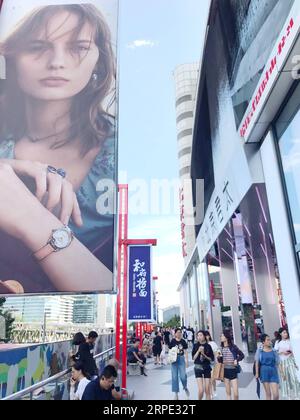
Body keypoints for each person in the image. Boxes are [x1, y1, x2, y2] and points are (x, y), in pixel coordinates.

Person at [0, 3, 116, 294]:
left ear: (99, 61)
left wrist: (31, 218)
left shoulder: (123, 153)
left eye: (78, 47)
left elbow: (122, 292)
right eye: (38, 46)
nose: (57, 62)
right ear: (11, 57)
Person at [275, 328, 300, 400]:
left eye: (286, 333)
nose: (286, 334)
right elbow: (275, 352)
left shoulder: (290, 341)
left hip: (290, 360)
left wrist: (290, 352)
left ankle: (296, 395)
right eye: (284, 333)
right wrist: (282, 352)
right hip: (282, 362)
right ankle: (288, 396)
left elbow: (294, 351)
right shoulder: (277, 342)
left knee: (294, 378)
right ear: (280, 334)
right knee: (285, 379)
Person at [218, 331, 244, 401]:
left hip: (233, 371)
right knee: (228, 393)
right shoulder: (221, 348)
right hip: (225, 371)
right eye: (220, 336)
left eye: (222, 336)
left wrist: (237, 360)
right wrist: (218, 357)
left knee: (236, 394)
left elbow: (242, 355)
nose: (221, 337)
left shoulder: (233, 347)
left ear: (226, 337)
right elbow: (220, 361)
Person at [255, 334, 280, 401]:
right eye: (267, 340)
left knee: (276, 395)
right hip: (264, 372)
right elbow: (257, 362)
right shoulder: (260, 351)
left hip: (273, 371)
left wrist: (281, 372)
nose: (270, 341)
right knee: (268, 394)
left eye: (269, 340)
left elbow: (278, 362)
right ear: (263, 342)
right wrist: (257, 373)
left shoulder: (274, 350)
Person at [192, 331, 214, 400]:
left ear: (204, 336)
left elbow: (211, 359)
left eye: (201, 335)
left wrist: (204, 355)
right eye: (198, 335)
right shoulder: (195, 345)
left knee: (207, 390)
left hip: (207, 367)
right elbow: (193, 358)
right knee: (201, 390)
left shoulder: (208, 346)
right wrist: (198, 351)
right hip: (198, 367)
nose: (199, 337)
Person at [169, 328, 190, 400]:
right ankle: (176, 394)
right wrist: (170, 359)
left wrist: (187, 361)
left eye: (180, 332)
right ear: (175, 334)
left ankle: (185, 387)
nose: (179, 334)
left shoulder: (183, 341)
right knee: (174, 377)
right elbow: (170, 351)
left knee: (183, 376)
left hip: (181, 359)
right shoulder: (172, 341)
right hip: (174, 360)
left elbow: (186, 351)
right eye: (177, 332)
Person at [205, 331, 219, 399]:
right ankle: (210, 393)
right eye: (205, 335)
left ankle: (215, 390)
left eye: (207, 335)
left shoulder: (213, 343)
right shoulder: (203, 344)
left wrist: (218, 361)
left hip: (213, 363)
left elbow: (217, 352)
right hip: (206, 364)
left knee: (213, 379)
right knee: (209, 379)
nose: (206, 337)